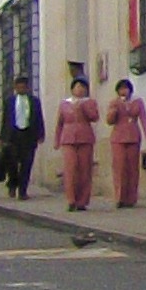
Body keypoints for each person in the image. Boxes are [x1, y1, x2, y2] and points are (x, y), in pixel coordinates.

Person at [52, 72, 99, 213]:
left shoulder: (90, 102)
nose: (80, 89)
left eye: (82, 87)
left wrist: (83, 107)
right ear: (72, 89)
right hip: (68, 138)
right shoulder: (64, 104)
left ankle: (82, 201)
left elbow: (94, 117)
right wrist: (57, 139)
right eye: (77, 86)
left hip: (85, 137)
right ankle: (71, 199)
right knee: (70, 169)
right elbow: (59, 123)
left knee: (85, 169)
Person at [104, 78, 146, 211]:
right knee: (119, 167)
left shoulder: (137, 102)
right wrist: (114, 110)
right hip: (118, 137)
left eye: (126, 88)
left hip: (133, 136)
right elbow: (109, 121)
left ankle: (131, 198)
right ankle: (119, 197)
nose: (124, 91)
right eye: (121, 89)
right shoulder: (115, 103)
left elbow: (144, 118)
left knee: (132, 168)